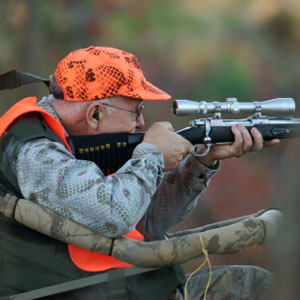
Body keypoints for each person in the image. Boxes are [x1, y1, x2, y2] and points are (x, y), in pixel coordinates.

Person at [0, 46, 279, 299]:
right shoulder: (35, 154)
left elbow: (146, 223)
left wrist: (199, 164)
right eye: (136, 111)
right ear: (95, 114)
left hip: (115, 285)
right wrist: (151, 154)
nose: (142, 122)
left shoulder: (70, 142)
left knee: (255, 282)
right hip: (77, 291)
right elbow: (115, 214)